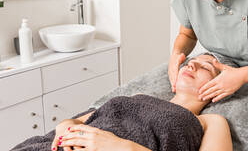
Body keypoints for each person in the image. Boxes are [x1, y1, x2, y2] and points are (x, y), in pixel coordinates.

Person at [11, 53, 233, 151]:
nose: (192, 66)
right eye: (191, 62)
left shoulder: (210, 121)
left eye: (206, 67)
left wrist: (121, 147)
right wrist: (65, 129)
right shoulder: (138, 98)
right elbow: (77, 121)